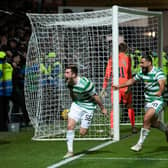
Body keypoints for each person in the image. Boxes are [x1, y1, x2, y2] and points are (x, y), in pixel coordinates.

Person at [113, 55, 168, 152]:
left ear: (149, 63)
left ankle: (139, 144)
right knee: (153, 123)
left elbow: (162, 82)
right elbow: (132, 80)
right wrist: (119, 86)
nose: (140, 65)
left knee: (146, 118)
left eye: (142, 63)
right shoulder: (142, 72)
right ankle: (166, 130)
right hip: (148, 100)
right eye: (140, 63)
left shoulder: (157, 72)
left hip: (159, 99)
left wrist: (160, 91)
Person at [64, 64, 107, 158]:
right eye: (65, 72)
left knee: (82, 133)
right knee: (70, 126)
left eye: (67, 73)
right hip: (77, 105)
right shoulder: (68, 82)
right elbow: (71, 92)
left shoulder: (85, 84)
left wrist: (102, 108)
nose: (65, 74)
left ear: (74, 74)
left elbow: (95, 97)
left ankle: (84, 124)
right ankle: (70, 151)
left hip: (89, 108)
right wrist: (74, 102)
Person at [101, 42, 137, 136]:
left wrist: (104, 88)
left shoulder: (112, 59)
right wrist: (129, 86)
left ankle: (112, 129)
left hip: (115, 86)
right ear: (125, 49)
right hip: (125, 85)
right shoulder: (128, 58)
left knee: (114, 108)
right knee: (129, 106)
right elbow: (129, 73)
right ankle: (133, 127)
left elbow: (107, 75)